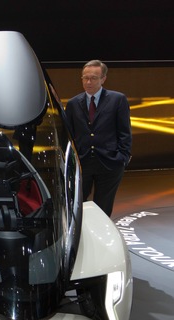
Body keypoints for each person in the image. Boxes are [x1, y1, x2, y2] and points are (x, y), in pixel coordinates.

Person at [65, 59, 132, 217]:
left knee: (104, 207)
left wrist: (123, 156)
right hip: (83, 163)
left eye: (93, 78)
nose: (88, 82)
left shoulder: (118, 100)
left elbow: (124, 131)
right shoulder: (73, 103)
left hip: (110, 162)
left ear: (103, 79)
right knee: (77, 205)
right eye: (85, 78)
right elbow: (69, 135)